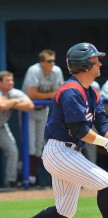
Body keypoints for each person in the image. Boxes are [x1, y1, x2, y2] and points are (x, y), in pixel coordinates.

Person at [11, 42, 108, 218]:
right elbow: (80, 131)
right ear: (84, 66)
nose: (100, 63)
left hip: (69, 152)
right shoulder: (70, 91)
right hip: (59, 151)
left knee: (65, 210)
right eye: (95, 61)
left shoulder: (91, 92)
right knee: (106, 181)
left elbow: (102, 123)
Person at [22, 49, 64, 187]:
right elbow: (32, 94)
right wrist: (50, 94)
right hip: (28, 111)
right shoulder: (33, 70)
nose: (52, 63)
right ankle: (27, 178)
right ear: (41, 62)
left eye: (53, 60)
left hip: (43, 110)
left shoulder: (57, 71)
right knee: (30, 146)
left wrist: (47, 95)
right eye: (49, 61)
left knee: (41, 145)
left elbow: (60, 92)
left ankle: (34, 179)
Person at [0, 71, 34, 188]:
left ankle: (10, 181)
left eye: (12, 80)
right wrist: (14, 101)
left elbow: (30, 105)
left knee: (13, 151)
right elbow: (2, 105)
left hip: (2, 127)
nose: (11, 82)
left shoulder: (15, 93)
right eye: (7, 80)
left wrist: (11, 102)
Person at [82, 80, 100, 164]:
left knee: (91, 148)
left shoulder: (95, 86)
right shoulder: (72, 86)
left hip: (89, 120)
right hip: (76, 121)